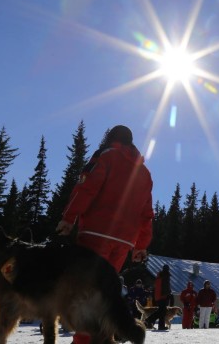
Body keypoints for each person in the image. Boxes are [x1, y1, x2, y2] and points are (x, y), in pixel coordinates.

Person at [55, 125, 154, 344]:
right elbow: (147, 214)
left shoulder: (106, 156)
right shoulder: (145, 174)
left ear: (111, 139)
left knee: (85, 292)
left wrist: (69, 217)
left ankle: (83, 340)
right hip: (123, 243)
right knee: (102, 292)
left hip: (96, 233)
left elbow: (86, 187)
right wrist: (140, 245)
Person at [147, 265, 171, 330]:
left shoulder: (159, 276)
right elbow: (166, 287)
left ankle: (158, 324)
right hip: (163, 296)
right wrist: (168, 295)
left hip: (158, 296)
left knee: (161, 311)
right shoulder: (165, 276)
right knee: (162, 311)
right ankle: (150, 320)